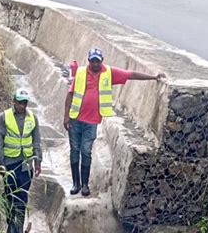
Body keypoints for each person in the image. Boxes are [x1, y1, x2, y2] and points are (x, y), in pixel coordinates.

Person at [64, 48, 165, 197]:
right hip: (75, 119)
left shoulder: (109, 73)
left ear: (102, 60)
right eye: (92, 60)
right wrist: (66, 116)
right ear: (89, 61)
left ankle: (85, 185)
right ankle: (76, 184)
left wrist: (153, 77)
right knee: (74, 152)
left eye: (97, 61)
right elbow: (70, 95)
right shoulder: (80, 73)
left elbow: (131, 75)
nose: (95, 63)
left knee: (86, 152)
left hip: (91, 122)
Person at [0, 89, 42, 233]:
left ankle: (19, 227)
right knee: (9, 194)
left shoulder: (32, 118)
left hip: (26, 163)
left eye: (25, 102)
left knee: (22, 195)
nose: (22, 105)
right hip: (10, 162)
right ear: (14, 101)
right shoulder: (4, 118)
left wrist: (38, 161)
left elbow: (36, 141)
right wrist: (0, 164)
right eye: (20, 102)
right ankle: (10, 225)